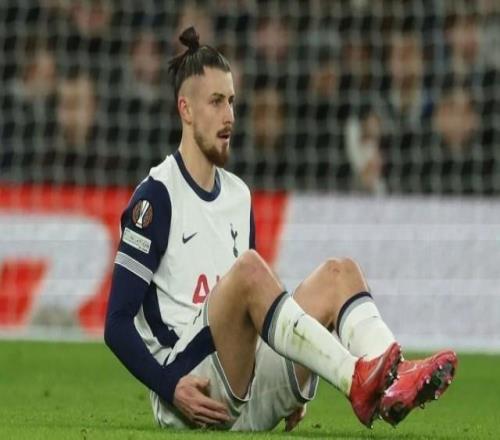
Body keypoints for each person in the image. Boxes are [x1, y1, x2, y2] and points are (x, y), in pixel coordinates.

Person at [104, 26, 457, 432]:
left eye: (232, 101)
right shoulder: (157, 196)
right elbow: (116, 324)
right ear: (186, 110)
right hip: (191, 391)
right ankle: (355, 378)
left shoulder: (239, 196)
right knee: (250, 271)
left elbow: (256, 317)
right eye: (216, 102)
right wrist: (169, 386)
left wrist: (288, 378)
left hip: (245, 386)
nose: (229, 116)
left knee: (339, 273)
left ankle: (393, 380)